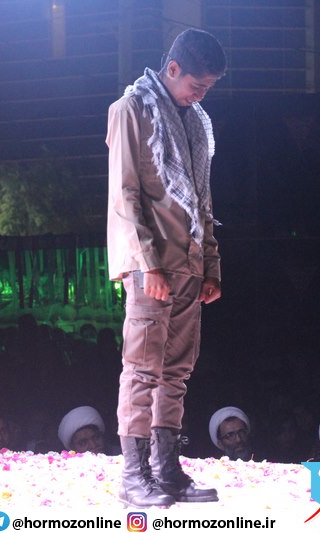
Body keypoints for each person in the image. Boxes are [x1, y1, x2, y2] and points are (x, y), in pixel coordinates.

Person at [106, 28, 226, 507]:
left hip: (189, 264)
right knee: (142, 370)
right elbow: (125, 194)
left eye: (208, 88)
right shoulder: (131, 109)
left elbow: (202, 199)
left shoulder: (195, 121)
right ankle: (134, 477)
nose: (201, 95)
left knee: (176, 372)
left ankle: (166, 470)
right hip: (151, 265)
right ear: (172, 68)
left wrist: (211, 264)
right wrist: (146, 264)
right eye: (197, 85)